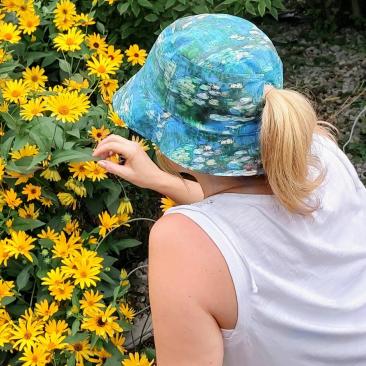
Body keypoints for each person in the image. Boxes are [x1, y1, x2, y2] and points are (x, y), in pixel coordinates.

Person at [92, 14, 366, 366]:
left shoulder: (181, 241)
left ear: (171, 135)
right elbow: (247, 222)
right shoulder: (318, 151)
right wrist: (159, 181)